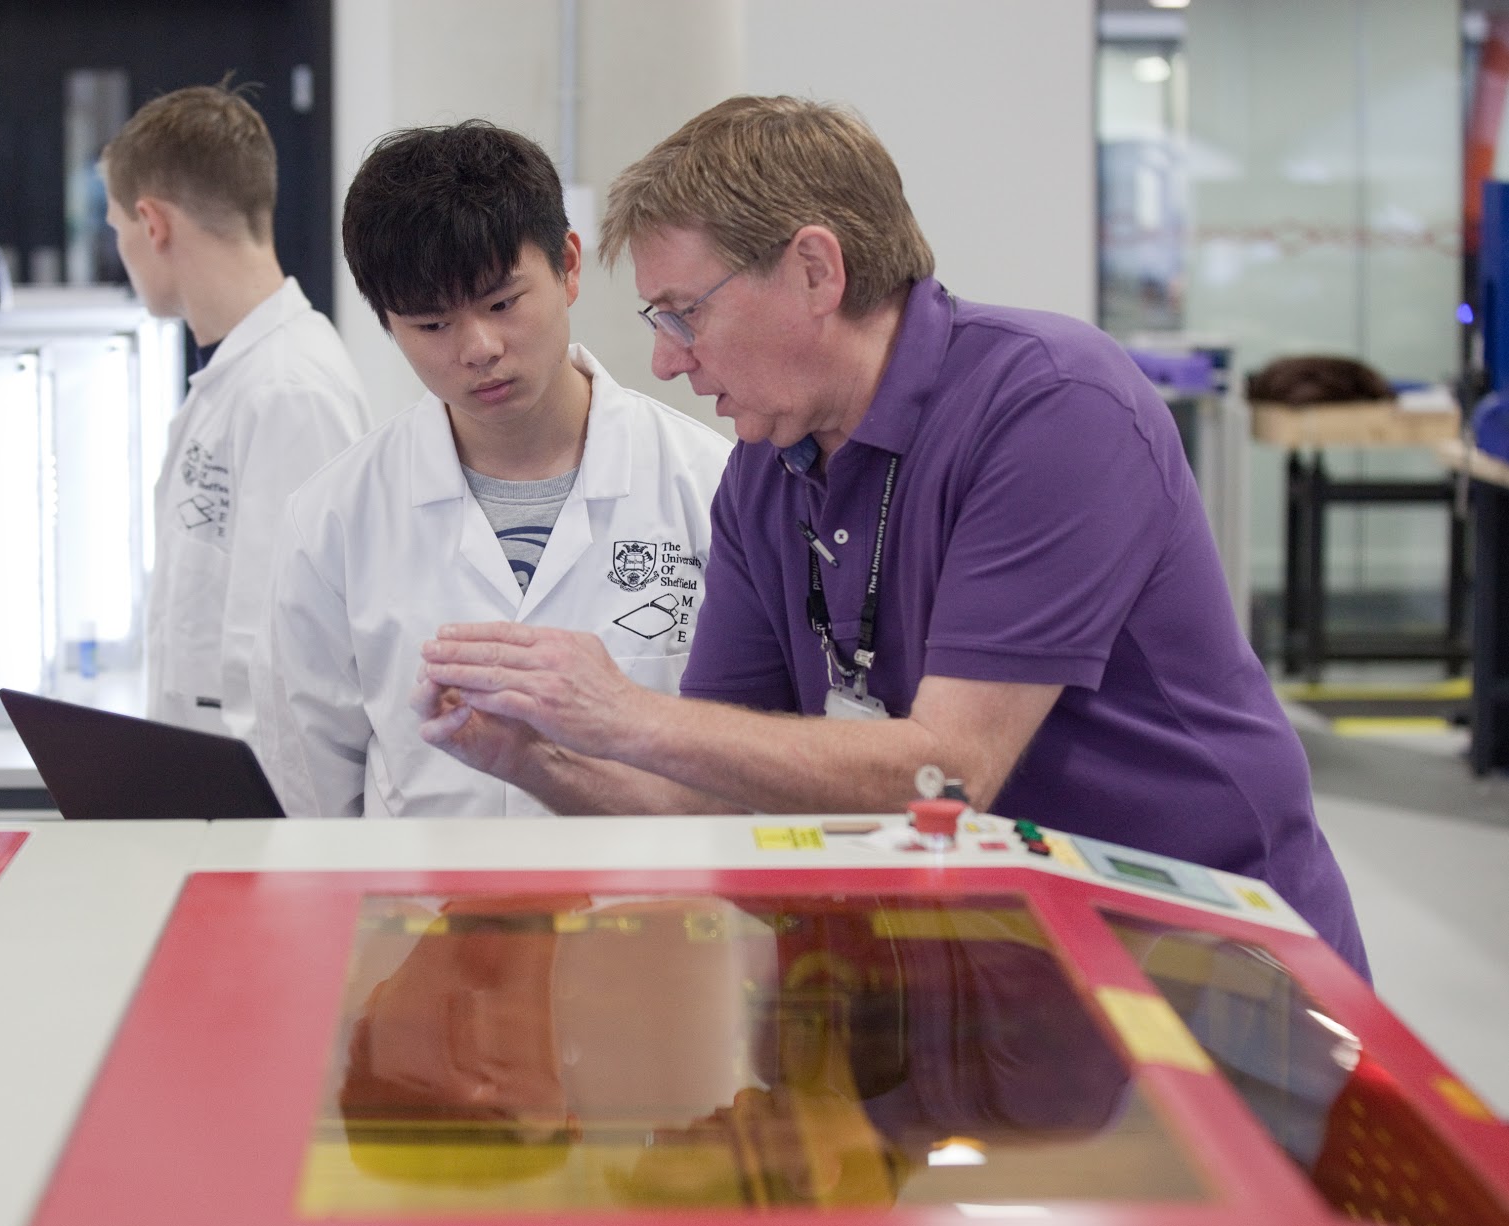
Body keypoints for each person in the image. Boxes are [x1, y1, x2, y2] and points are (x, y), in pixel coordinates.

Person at [415, 95, 1370, 978]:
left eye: (683, 313)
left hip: (1201, 958)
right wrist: (533, 758)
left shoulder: (1051, 406)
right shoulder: (765, 468)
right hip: (991, 966)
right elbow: (711, 796)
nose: (665, 360)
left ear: (815, 270)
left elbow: (949, 770)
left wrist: (618, 712)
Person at [249, 122, 731, 817]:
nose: (478, 348)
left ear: (568, 265)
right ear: (387, 323)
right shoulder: (333, 518)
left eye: (502, 303)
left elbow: (748, 767)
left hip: (649, 912)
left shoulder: (708, 484)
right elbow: (309, 796)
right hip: (417, 918)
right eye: (431, 325)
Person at [101, 81, 370, 739]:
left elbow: (282, 660)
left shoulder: (289, 390)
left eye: (118, 230)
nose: (122, 252)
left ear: (153, 223)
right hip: (204, 793)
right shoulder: (237, 377)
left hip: (255, 813)